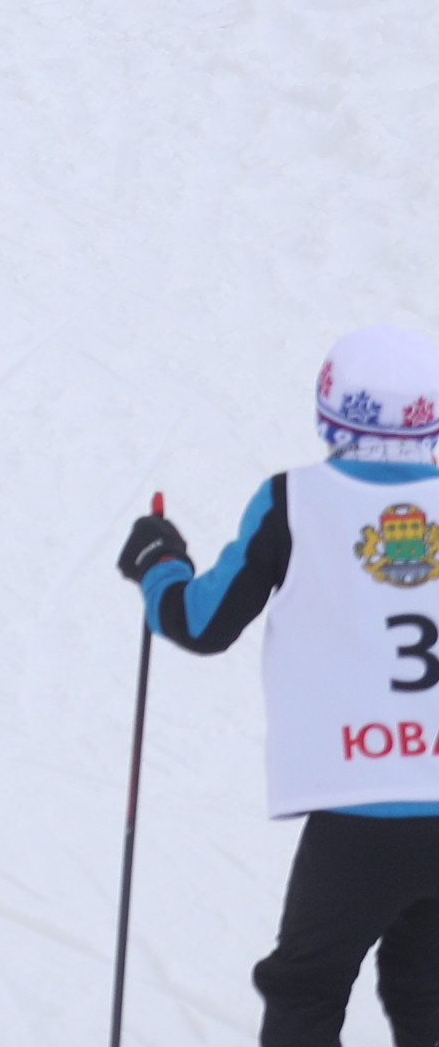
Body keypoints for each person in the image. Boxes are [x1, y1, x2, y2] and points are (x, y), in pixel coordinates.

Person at [118, 323, 439, 1047]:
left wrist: (158, 564)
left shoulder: (295, 503)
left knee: (308, 989)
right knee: (426, 993)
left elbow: (200, 623)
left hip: (362, 807)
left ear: (330, 408)